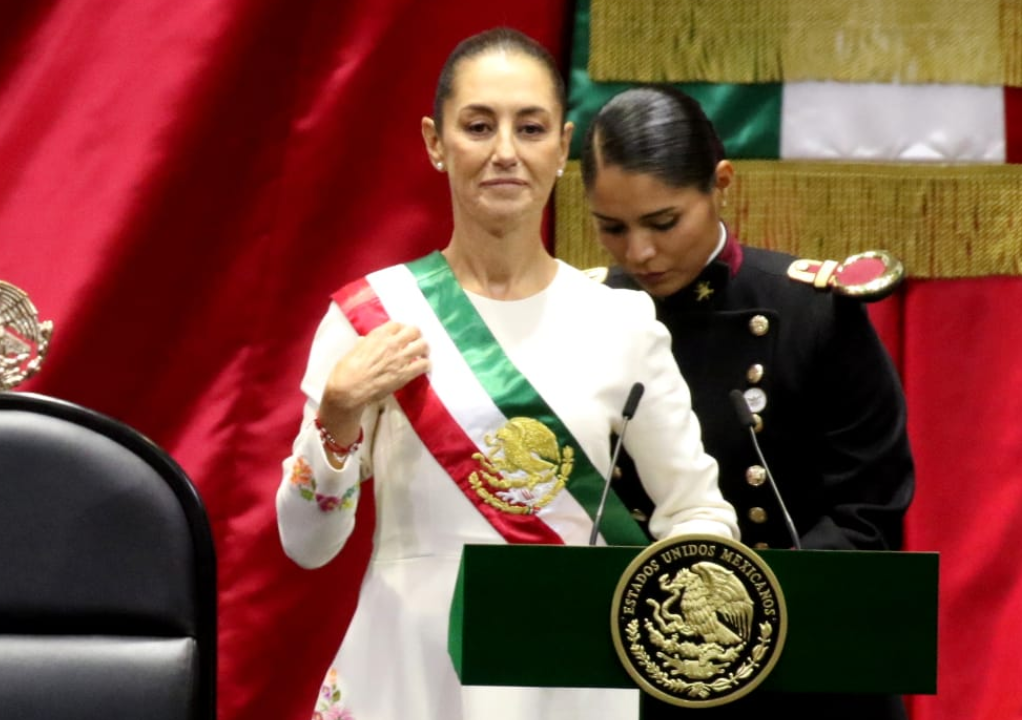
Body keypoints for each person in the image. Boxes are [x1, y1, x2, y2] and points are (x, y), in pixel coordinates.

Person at [276, 30, 739, 720]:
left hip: (572, 675)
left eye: (530, 128)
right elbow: (306, 545)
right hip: (410, 672)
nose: (504, 152)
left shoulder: (624, 325)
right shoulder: (372, 317)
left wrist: (669, 614)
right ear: (436, 142)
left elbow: (699, 513)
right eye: (478, 126)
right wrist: (338, 414)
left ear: (563, 146)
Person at [580, 85, 915, 718]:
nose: (639, 253)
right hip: (632, 664)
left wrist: (746, 613)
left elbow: (868, 511)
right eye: (611, 228)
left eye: (663, 221)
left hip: (800, 661)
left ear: (721, 183)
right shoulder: (580, 317)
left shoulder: (814, 312)